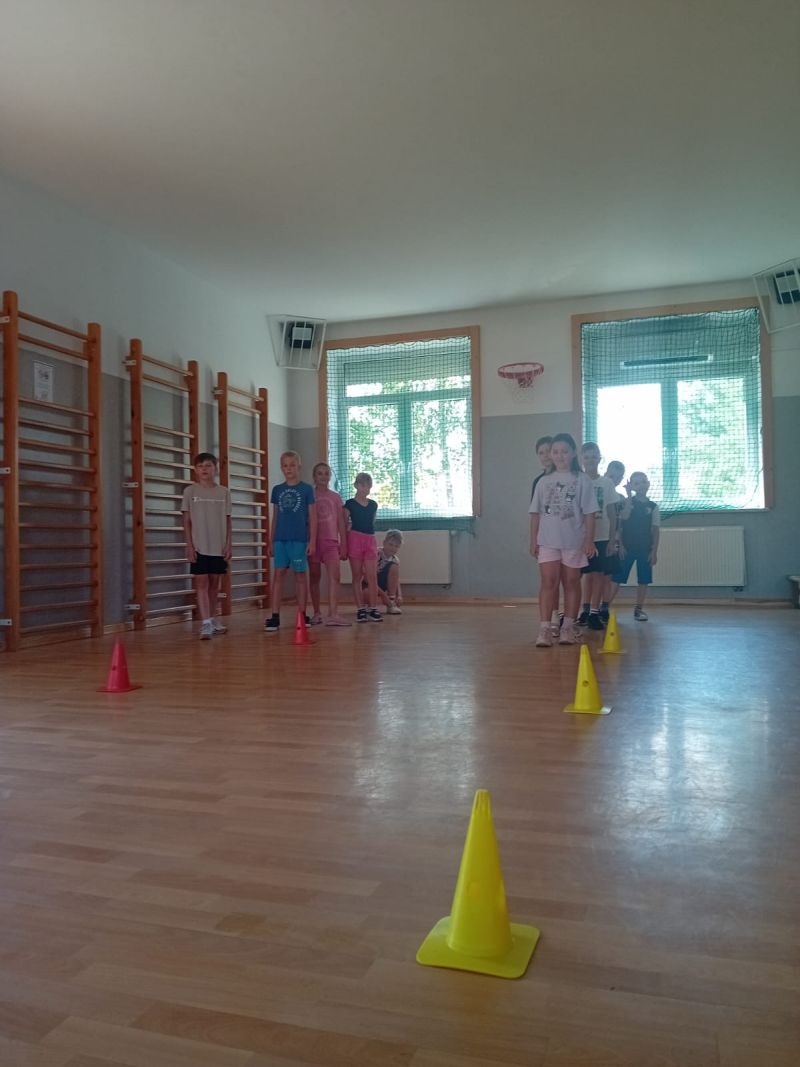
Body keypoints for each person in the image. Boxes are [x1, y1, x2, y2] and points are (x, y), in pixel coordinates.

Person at [529, 432, 598, 647]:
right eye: (556, 452)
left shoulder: (582, 480)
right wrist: (533, 540)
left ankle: (568, 627)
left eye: (564, 451)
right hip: (547, 541)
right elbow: (535, 513)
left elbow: (590, 513)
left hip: (573, 541)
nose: (560, 456)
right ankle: (545, 629)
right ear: (551, 454)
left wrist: (589, 540)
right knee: (548, 581)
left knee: (571, 582)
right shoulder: (543, 482)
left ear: (573, 453)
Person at [264, 451, 317, 633]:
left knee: (300, 575)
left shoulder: (307, 489)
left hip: (299, 540)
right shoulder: (277, 490)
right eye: (285, 466)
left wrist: (312, 541)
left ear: (298, 466)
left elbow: (313, 517)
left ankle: (302, 614)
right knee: (278, 575)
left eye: (292, 465)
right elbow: (275, 517)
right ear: (281, 468)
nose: (289, 469)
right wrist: (271, 541)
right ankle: (275, 616)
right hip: (280, 540)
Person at [181, 452, 232, 640]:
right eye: (200, 466)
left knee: (214, 585)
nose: (204, 469)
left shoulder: (224, 492)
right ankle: (206, 623)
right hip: (199, 546)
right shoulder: (190, 492)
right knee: (201, 582)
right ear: (195, 470)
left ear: (215, 469)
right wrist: (189, 545)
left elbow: (228, 520)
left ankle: (212, 618)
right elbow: (186, 521)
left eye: (208, 466)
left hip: (218, 546)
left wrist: (229, 544)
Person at [607, 471, 660, 621]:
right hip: (627, 549)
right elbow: (621, 523)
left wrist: (654, 552)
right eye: (637, 483)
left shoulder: (653, 507)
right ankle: (605, 608)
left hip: (645, 550)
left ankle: (638, 609)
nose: (641, 485)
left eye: (643, 481)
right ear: (632, 486)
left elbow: (655, 531)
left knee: (643, 580)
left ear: (648, 483)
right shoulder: (627, 503)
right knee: (617, 579)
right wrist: (621, 545)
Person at [578, 442, 619, 631]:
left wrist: (612, 539)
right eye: (586, 457)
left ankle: (595, 612)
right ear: (581, 459)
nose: (590, 460)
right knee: (585, 576)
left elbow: (612, 514)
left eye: (594, 456)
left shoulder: (606, 483)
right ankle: (584, 610)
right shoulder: (578, 481)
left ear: (599, 458)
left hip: (601, 537)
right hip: (581, 537)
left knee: (598, 575)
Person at [308, 461, 350, 626]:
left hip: (331, 542)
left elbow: (341, 522)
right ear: (314, 476)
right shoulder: (309, 495)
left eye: (326, 473)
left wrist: (344, 544)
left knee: (335, 576)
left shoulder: (335, 497)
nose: (323, 476)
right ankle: (317, 613)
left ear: (330, 476)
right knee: (314, 577)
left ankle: (333, 614)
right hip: (313, 542)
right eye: (320, 473)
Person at [345, 472, 382, 622]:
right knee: (357, 575)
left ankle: (373, 608)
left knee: (372, 576)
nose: (366, 489)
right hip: (355, 539)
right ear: (356, 485)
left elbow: (372, 522)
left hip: (370, 539)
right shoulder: (349, 504)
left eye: (368, 486)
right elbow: (344, 524)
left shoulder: (373, 505)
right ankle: (360, 609)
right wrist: (345, 544)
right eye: (363, 485)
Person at [376, 530, 404, 614]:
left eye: (396, 546)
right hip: (369, 584)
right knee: (366, 593)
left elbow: (396, 579)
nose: (393, 548)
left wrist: (399, 595)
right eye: (390, 544)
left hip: (382, 584)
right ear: (384, 543)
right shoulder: (376, 553)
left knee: (394, 566)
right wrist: (384, 596)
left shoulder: (395, 560)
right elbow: (367, 578)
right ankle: (368, 606)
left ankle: (391, 603)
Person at [530, 435, 553, 500]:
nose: (545, 455)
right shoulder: (538, 481)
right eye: (541, 453)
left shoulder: (565, 476)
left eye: (548, 451)